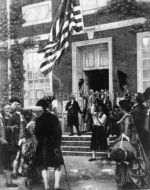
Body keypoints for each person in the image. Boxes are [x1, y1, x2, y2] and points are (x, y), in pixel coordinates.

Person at [115, 99, 149, 189]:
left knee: (127, 158)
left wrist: (119, 140)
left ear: (122, 108)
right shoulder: (127, 115)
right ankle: (128, 180)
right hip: (133, 139)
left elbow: (126, 132)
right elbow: (120, 122)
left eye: (119, 106)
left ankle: (129, 181)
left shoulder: (127, 117)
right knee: (130, 160)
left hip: (129, 140)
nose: (119, 108)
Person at [34, 97, 64, 190]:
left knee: (44, 165)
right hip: (53, 143)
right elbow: (58, 132)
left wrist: (41, 138)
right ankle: (56, 185)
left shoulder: (38, 119)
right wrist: (59, 141)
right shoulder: (53, 117)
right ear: (47, 106)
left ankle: (46, 186)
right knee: (57, 165)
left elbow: (36, 133)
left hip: (42, 144)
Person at [8, 101, 27, 179]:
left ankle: (20, 170)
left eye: (20, 105)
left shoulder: (22, 115)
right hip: (16, 138)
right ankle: (14, 172)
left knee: (23, 155)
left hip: (23, 138)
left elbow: (25, 125)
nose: (20, 106)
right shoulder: (12, 116)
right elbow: (8, 127)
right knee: (17, 156)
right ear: (15, 107)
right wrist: (13, 127)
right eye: (18, 105)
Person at [0, 109, 18, 187]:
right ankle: (9, 182)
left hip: (3, 144)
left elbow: (3, 129)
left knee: (6, 162)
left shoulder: (1, 118)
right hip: (1, 143)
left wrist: (11, 127)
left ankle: (9, 182)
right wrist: (1, 140)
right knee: (5, 162)